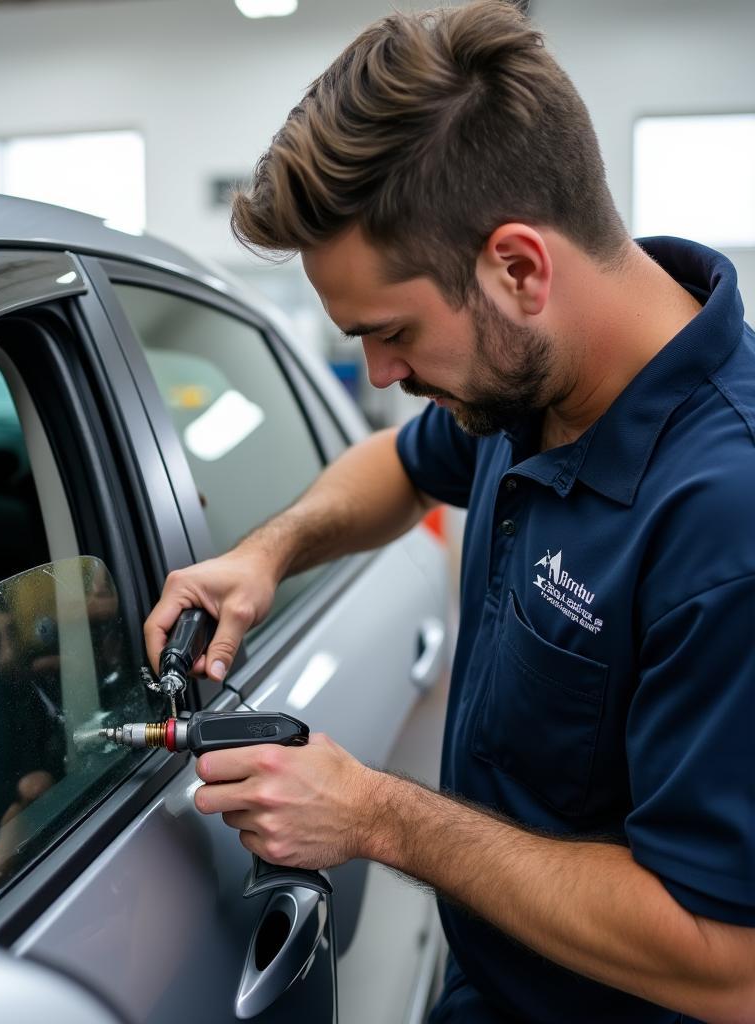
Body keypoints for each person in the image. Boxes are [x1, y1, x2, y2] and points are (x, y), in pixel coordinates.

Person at [143, 2, 755, 1021]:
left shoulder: (723, 522)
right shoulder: (535, 374)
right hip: (493, 979)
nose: (380, 373)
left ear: (517, 267)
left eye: (390, 334)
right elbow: (402, 461)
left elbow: (726, 960)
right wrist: (269, 549)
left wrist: (378, 816)